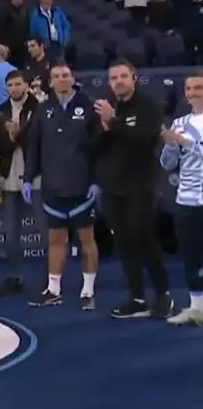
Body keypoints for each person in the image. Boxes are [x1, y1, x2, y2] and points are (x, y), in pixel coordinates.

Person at [95, 60, 172, 318]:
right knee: (124, 243)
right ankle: (136, 297)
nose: (118, 81)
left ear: (133, 78)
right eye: (113, 77)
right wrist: (105, 129)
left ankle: (164, 295)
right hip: (113, 187)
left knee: (143, 239)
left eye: (123, 76)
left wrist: (113, 122)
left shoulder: (148, 105)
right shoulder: (106, 106)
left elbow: (143, 140)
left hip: (139, 185)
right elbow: (94, 147)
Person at [24, 63, 100, 310]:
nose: (61, 79)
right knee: (56, 239)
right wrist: (27, 178)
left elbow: (100, 147)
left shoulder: (88, 106)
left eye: (66, 75)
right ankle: (53, 289)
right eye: (56, 76)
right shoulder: (43, 109)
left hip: (81, 186)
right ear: (50, 81)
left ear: (72, 77)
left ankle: (88, 291)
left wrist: (97, 179)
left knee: (87, 240)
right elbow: (33, 145)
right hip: (53, 186)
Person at [0, 70, 40, 296]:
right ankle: (15, 277)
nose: (14, 89)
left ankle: (52, 281)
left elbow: (39, 141)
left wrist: (18, 134)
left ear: (27, 85)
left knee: (49, 231)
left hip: (37, 177)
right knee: (11, 233)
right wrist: (11, 139)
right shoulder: (1, 112)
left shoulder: (39, 108)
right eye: (10, 85)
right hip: (10, 177)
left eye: (18, 84)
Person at [159, 71, 203, 326]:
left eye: (199, 87)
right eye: (190, 89)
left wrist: (185, 143)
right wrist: (171, 146)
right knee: (191, 256)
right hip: (186, 200)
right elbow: (167, 164)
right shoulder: (179, 123)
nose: (194, 92)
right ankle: (197, 308)